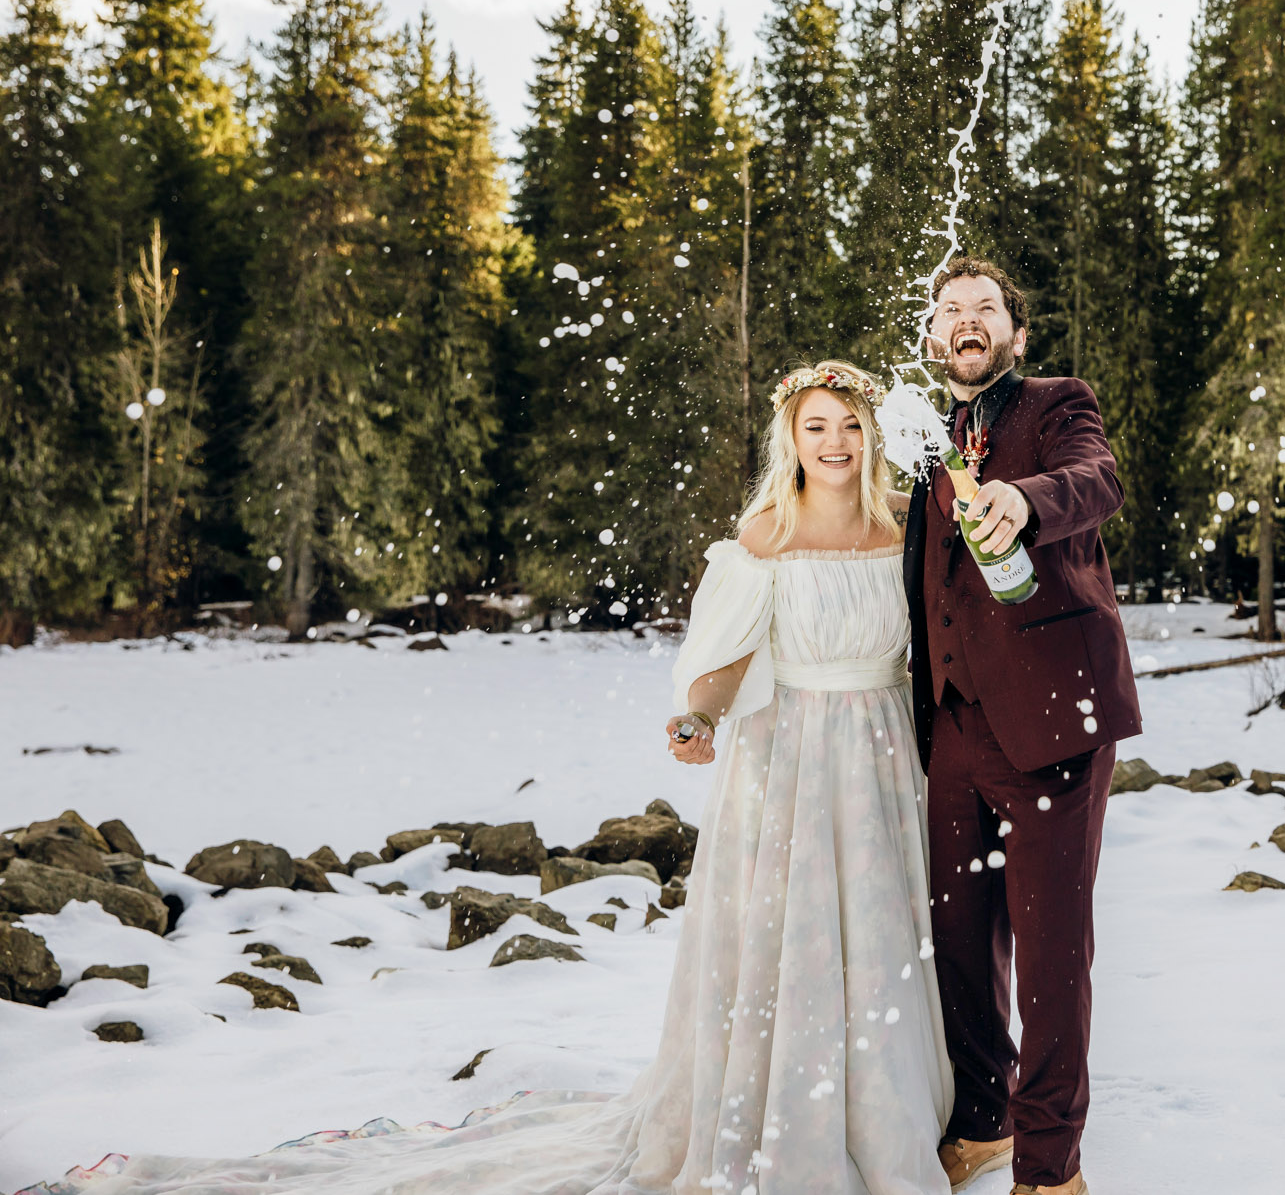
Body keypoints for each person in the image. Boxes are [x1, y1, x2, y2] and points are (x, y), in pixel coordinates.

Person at [35, 360, 951, 1195]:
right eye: (816, 425)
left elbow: (941, 634)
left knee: (874, 936)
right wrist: (699, 717)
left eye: (850, 425)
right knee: (789, 942)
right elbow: (725, 652)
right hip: (787, 758)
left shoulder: (906, 523)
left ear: (875, 434)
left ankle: (879, 1120)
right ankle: (783, 1126)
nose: (834, 442)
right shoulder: (766, 531)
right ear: (789, 437)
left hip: (880, 752)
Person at [904, 259, 1142, 1195]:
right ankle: (983, 1118)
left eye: (985, 309)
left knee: (1050, 951)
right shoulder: (922, 440)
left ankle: (1050, 1168)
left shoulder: (1057, 406)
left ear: (1016, 332)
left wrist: (1025, 499)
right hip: (953, 727)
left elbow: (1097, 480)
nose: (967, 321)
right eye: (950, 310)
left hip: (1055, 718)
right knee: (957, 940)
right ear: (932, 337)